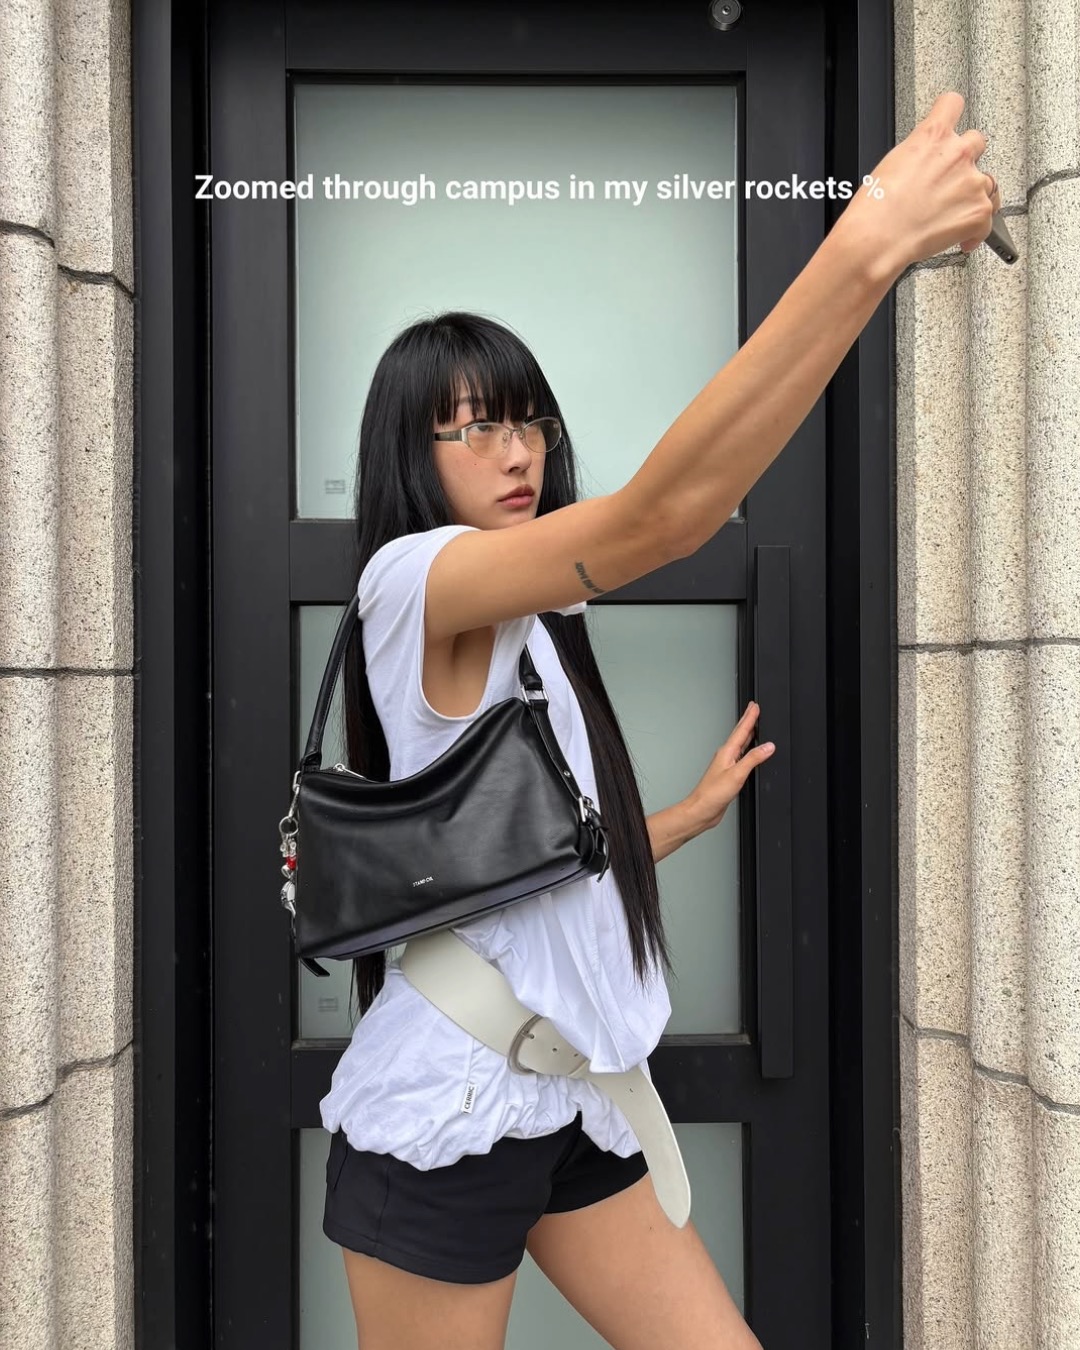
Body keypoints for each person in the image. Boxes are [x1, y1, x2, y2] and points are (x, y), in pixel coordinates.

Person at [319, 90, 1001, 1350]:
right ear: (411, 456)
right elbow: (664, 518)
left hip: (575, 1096)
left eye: (527, 418)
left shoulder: (530, 620)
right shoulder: (414, 582)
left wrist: (676, 819)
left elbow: (517, 855)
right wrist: (870, 243)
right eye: (474, 426)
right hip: (448, 1113)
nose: (517, 450)